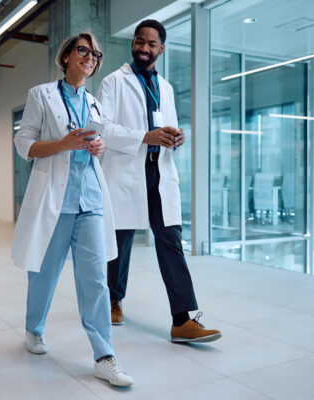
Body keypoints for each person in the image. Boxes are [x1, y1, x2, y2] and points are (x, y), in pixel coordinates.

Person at [11, 32, 133, 387]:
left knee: (95, 280)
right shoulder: (41, 95)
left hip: (91, 200)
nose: (90, 58)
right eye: (83, 51)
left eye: (95, 54)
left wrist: (98, 147)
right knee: (44, 275)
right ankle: (33, 330)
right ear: (65, 56)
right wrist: (63, 144)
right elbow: (24, 144)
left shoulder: (94, 104)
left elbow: (99, 143)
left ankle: (104, 355)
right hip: (55, 200)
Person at [97, 20, 222, 343]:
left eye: (151, 44)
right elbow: (103, 129)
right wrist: (145, 136)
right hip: (126, 171)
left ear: (161, 49)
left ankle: (182, 320)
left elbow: (170, 126)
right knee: (120, 240)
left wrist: (175, 139)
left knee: (171, 241)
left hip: (159, 170)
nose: (144, 48)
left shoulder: (165, 87)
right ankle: (113, 299)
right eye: (140, 42)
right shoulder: (113, 82)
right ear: (133, 43)